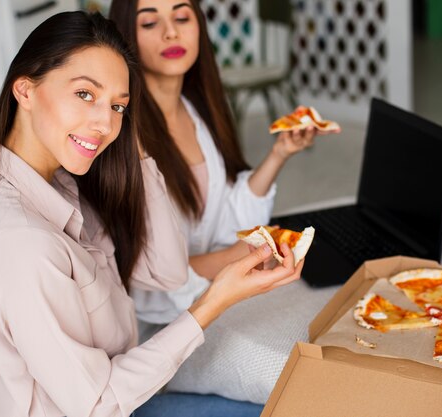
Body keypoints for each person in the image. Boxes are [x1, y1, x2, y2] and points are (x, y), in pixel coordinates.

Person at [0, 10, 303, 417]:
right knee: (292, 400)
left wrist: (136, 144)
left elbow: (166, 271)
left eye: (118, 106)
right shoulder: (23, 243)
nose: (103, 123)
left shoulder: (55, 178)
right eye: (85, 94)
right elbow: (98, 403)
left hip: (125, 391)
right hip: (108, 403)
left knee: (290, 394)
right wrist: (216, 301)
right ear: (26, 90)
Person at [108, 0, 340, 330]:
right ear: (125, 35)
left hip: (210, 295)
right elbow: (143, 279)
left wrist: (279, 154)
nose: (171, 32)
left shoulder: (195, 109)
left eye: (182, 17)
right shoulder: (124, 136)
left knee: (327, 311)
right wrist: (235, 257)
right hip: (158, 327)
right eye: (149, 23)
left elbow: (223, 218)